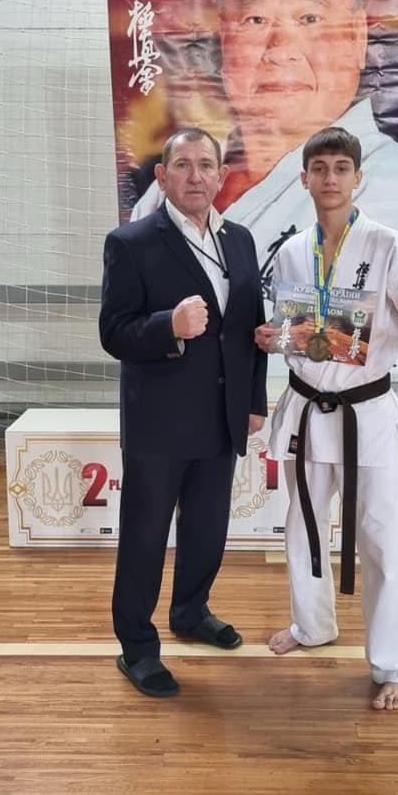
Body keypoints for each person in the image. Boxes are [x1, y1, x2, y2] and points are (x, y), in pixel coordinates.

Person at [131, 0, 398, 288]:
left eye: (309, 18)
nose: (280, 48)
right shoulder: (170, 186)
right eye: (255, 19)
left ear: (358, 36)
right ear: (223, 39)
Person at [254, 125, 398, 712]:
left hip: (365, 412)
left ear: (358, 177)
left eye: (341, 168)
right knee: (304, 529)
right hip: (304, 408)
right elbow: (292, 329)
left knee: (385, 538)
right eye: (320, 169)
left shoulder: (388, 244)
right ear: (304, 179)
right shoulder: (292, 251)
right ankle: (312, 625)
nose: (330, 179)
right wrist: (270, 337)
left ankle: (397, 663)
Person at [100, 126, 267, 697]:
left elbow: (249, 328)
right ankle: (136, 648)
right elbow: (113, 332)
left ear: (221, 175)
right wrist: (167, 325)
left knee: (207, 530)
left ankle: (190, 612)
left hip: (222, 415)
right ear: (162, 175)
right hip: (159, 422)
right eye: (183, 165)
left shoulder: (240, 239)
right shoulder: (132, 242)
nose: (196, 176)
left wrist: (252, 400)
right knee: (144, 538)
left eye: (206, 165)